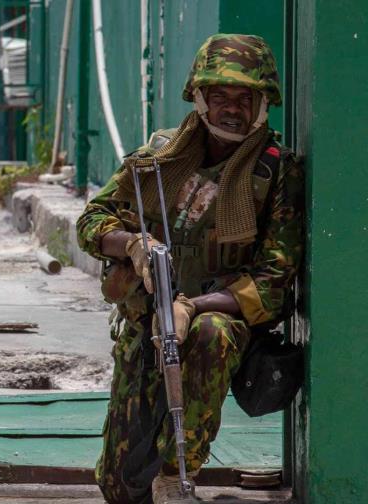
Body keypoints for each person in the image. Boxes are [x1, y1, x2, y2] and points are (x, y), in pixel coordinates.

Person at [76, 34, 304, 504]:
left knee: (210, 332)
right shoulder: (161, 156)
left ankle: (178, 473)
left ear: (263, 104)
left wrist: (189, 307)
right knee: (119, 486)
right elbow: (92, 221)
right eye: (219, 96)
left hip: (219, 329)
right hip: (148, 322)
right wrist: (133, 245)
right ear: (199, 98)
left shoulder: (277, 171)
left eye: (245, 98)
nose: (232, 109)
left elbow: (274, 285)